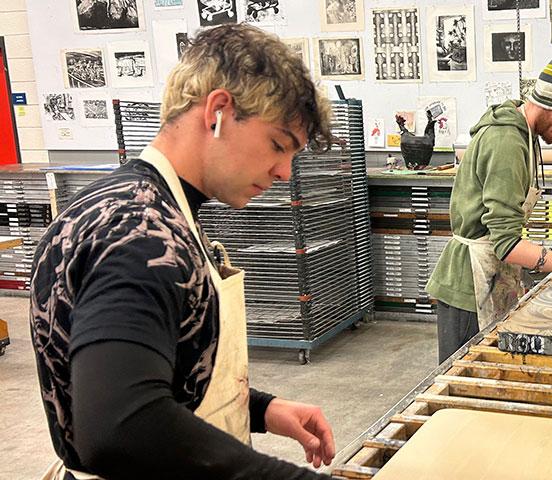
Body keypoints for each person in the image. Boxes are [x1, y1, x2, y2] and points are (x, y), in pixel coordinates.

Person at [30, 24, 337, 479]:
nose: (283, 171)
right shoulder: (138, 234)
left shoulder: (142, 205)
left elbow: (150, 368)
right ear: (218, 110)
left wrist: (259, 409)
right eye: (277, 144)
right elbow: (119, 423)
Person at [426, 35, 552, 363]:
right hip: (468, 291)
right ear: (549, 101)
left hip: (491, 275)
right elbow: (507, 245)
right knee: (468, 392)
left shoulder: (524, 135)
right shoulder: (506, 142)